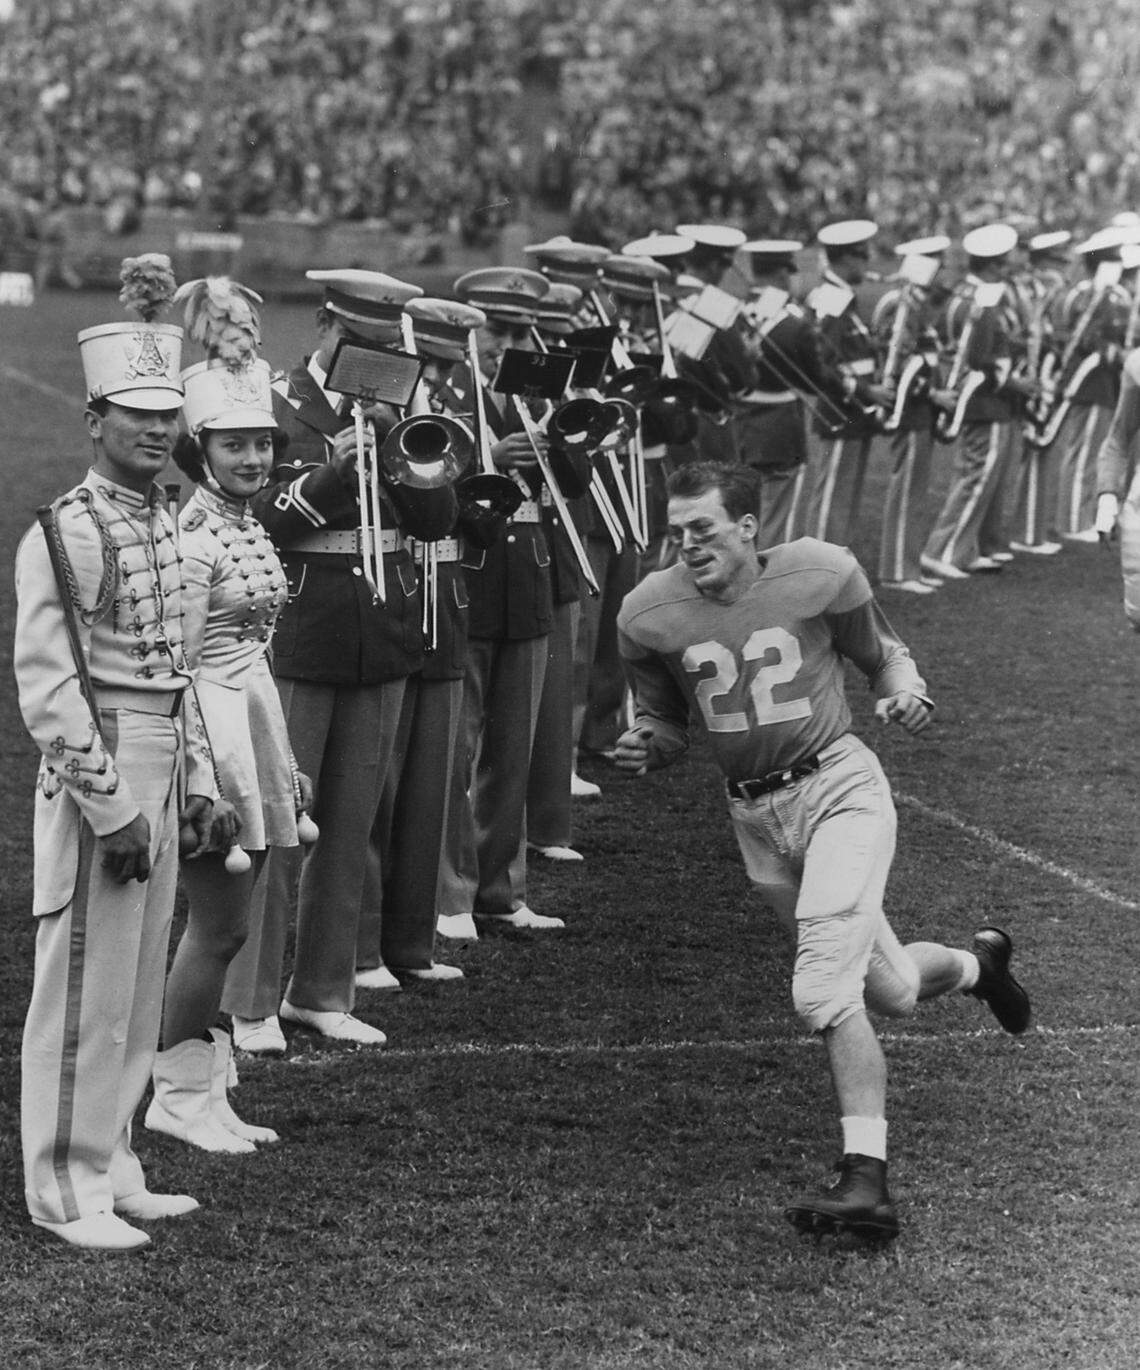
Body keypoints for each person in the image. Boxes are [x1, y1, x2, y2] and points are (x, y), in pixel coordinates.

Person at [614, 461, 1031, 1240]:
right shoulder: (647, 610)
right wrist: (646, 744)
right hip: (756, 823)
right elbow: (666, 720)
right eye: (677, 532)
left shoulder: (821, 571)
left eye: (702, 528)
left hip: (839, 791)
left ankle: (866, 1180)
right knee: (892, 991)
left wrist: (905, 692)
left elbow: (887, 654)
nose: (688, 545)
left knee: (820, 990)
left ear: (747, 526)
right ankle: (981, 966)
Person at [14, 255, 231, 1251]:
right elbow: (51, 688)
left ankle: (115, 1158)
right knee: (85, 993)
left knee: (139, 985)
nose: (154, 427)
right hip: (100, 767)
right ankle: (63, 1184)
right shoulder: (65, 530)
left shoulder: (167, 524)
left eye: (164, 412)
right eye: (133, 412)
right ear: (94, 418)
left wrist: (191, 785)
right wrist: (112, 807)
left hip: (163, 745)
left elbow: (175, 673)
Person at [221, 268, 426, 1050]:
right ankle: (250, 998)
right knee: (278, 821)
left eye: (383, 346)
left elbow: (436, 518)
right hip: (301, 628)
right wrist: (340, 469)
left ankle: (322, 989)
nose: (369, 360)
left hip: (380, 630)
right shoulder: (271, 407)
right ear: (329, 330)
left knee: (351, 820)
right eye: (359, 342)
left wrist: (408, 456)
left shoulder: (407, 411)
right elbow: (257, 516)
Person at [145, 277, 310, 1152]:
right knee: (218, 925)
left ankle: (204, 1088)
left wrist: (276, 763)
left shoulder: (247, 524)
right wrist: (207, 784)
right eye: (234, 445)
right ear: (199, 449)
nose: (253, 459)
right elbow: (181, 671)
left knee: (232, 924)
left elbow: (254, 655)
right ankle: (176, 1093)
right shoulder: (197, 537)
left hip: (248, 728)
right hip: (205, 743)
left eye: (261, 444)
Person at [435, 265, 565, 931]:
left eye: (518, 329)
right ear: (469, 327)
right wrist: (493, 452)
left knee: (515, 744)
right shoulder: (447, 390)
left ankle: (501, 889)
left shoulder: (531, 393)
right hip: (474, 574)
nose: (505, 342)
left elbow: (569, 482)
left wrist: (564, 440)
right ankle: (452, 892)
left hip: (528, 574)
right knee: (459, 746)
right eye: (497, 328)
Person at [921, 224, 1034, 578]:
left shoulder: (959, 295)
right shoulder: (982, 303)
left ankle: (963, 549)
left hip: (972, 396)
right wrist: (1018, 382)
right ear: (993, 265)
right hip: (986, 400)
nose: (1007, 270)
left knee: (975, 475)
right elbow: (984, 359)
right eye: (1003, 264)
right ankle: (944, 550)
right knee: (977, 477)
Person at [799, 219, 893, 546]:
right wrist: (867, 391)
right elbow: (823, 362)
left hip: (854, 409)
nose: (867, 265)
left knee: (846, 497)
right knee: (832, 499)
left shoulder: (842, 295)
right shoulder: (830, 296)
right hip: (841, 409)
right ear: (848, 258)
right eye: (863, 257)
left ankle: (836, 567)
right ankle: (819, 572)